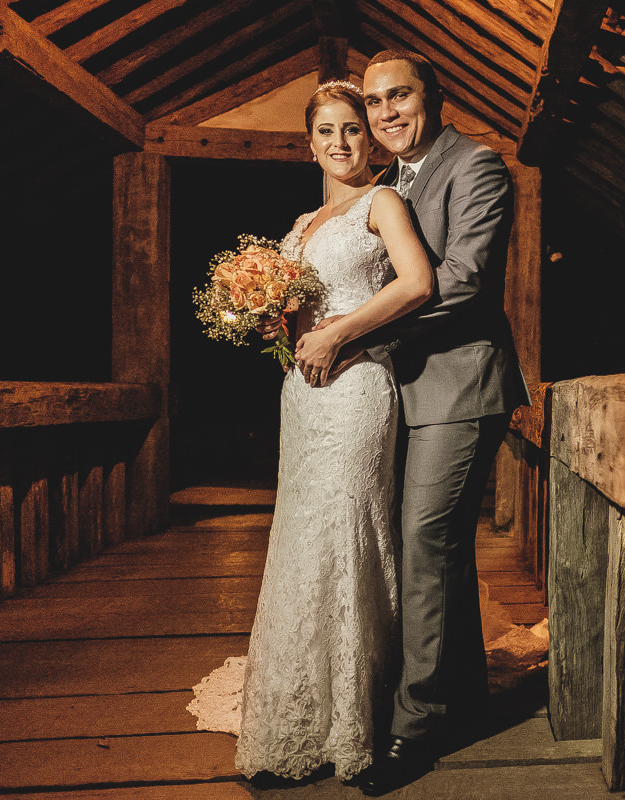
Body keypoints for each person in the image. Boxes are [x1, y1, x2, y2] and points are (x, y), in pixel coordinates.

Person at [190, 80, 435, 784]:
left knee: (346, 530)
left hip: (356, 390)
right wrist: (268, 318)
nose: (341, 142)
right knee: (301, 537)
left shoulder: (382, 202)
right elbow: (300, 311)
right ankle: (297, 709)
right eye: (327, 132)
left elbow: (417, 284)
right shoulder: (303, 223)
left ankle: (356, 714)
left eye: (353, 129)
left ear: (370, 137)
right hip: (301, 397)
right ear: (310, 144)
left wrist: (337, 335)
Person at [340, 50, 530, 796]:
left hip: (460, 385)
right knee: (430, 552)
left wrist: (358, 330)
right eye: (374, 101)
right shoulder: (389, 183)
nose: (385, 112)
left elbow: (465, 279)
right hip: (399, 389)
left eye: (400, 96)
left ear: (434, 97)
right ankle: (461, 696)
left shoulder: (476, 166)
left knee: (425, 541)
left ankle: (414, 728)